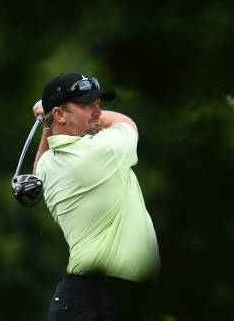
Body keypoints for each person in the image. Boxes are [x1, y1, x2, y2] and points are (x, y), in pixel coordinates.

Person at [32, 72, 160, 321]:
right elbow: (126, 122)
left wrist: (48, 124)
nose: (97, 111)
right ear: (60, 114)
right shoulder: (102, 151)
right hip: (99, 298)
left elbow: (38, 169)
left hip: (94, 298)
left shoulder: (49, 165)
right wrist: (47, 118)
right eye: (86, 105)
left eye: (98, 104)